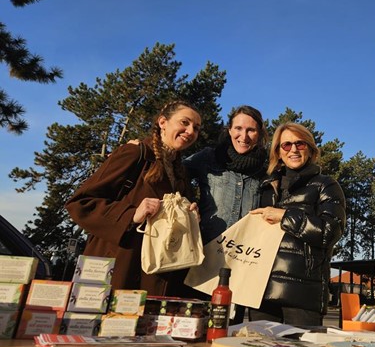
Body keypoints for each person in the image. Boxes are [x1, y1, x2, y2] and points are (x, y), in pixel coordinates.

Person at [65, 100, 201, 297]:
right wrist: (132, 214)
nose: (190, 131)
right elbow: (80, 203)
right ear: (163, 122)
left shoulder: (180, 172)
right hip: (117, 270)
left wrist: (190, 216)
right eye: (185, 123)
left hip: (156, 273)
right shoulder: (135, 153)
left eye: (196, 128)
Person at [249, 122, 346, 327]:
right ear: (278, 151)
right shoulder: (265, 187)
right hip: (261, 294)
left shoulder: (326, 185)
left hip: (303, 297)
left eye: (300, 144)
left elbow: (331, 231)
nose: (293, 149)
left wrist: (284, 216)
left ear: (310, 149)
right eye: (286, 145)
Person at [183, 105, 268, 323]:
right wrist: (187, 203)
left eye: (251, 130)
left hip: (242, 263)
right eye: (238, 128)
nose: (244, 136)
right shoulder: (208, 158)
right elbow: (174, 172)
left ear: (259, 133)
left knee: (229, 328)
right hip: (202, 259)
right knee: (192, 325)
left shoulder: (268, 169)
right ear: (229, 130)